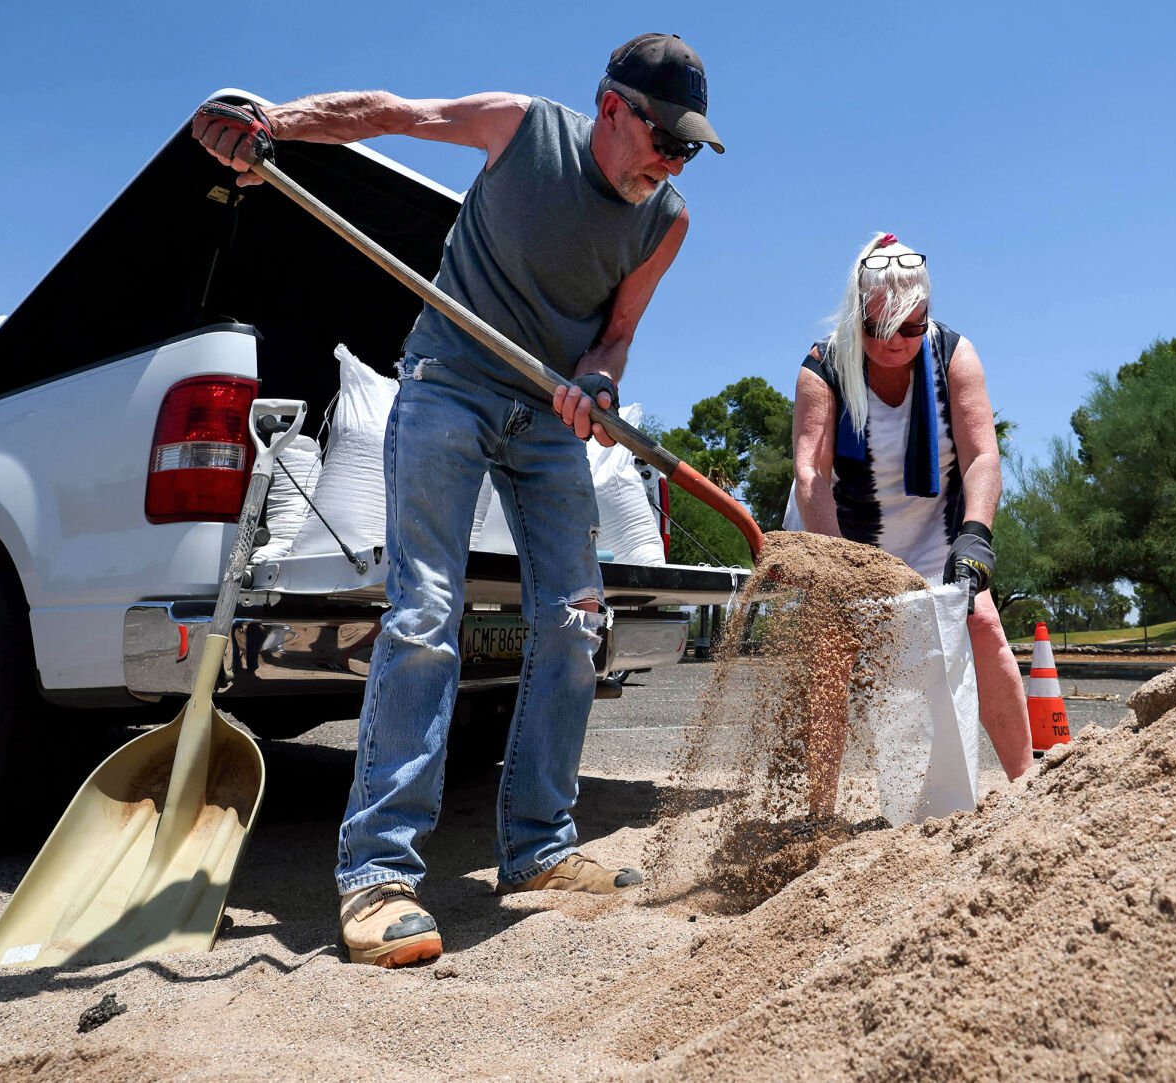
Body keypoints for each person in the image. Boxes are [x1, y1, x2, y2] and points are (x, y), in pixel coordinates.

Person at [191, 32, 724, 968]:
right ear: (611, 109)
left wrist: (595, 387)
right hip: (447, 386)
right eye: (664, 138)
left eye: (688, 147)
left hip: (548, 417)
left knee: (573, 621)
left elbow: (616, 336)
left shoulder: (666, 222)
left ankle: (538, 851)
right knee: (426, 614)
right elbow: (391, 111)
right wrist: (274, 124)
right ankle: (377, 874)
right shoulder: (522, 129)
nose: (674, 161)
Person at [784, 232, 1033, 812]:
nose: (897, 342)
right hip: (843, 534)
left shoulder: (953, 355)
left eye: (912, 327)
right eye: (879, 330)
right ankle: (816, 814)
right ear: (857, 318)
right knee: (830, 651)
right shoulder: (823, 365)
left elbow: (981, 456)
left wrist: (976, 537)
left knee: (984, 627)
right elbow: (811, 473)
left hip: (933, 532)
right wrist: (843, 569)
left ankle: (1028, 787)